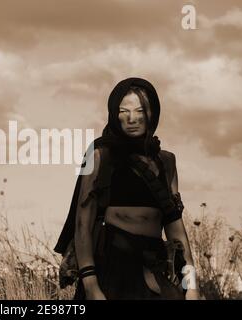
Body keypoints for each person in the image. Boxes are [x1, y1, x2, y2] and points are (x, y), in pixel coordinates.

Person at [54, 77, 200, 300]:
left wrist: (191, 285)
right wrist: (91, 285)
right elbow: (82, 223)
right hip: (112, 267)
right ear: (114, 113)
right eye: (124, 111)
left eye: (141, 110)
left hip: (155, 266)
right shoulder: (100, 155)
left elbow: (176, 229)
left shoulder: (166, 162)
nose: (132, 119)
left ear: (153, 113)